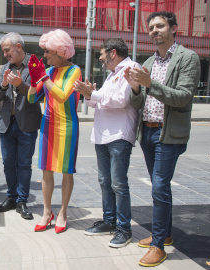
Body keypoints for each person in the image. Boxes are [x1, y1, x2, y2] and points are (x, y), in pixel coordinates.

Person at [124, 11, 200, 267]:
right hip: (148, 131)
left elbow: (183, 97)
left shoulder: (188, 58)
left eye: (160, 26)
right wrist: (136, 87)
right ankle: (165, 233)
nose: (154, 30)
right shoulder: (149, 61)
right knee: (161, 187)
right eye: (151, 27)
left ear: (174, 28)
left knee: (158, 186)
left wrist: (150, 82)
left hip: (169, 134)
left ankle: (158, 246)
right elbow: (139, 102)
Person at [74, 37, 140, 248]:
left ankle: (124, 228)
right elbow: (97, 100)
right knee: (105, 181)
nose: (100, 58)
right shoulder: (112, 74)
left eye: (102, 54)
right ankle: (109, 221)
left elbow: (123, 100)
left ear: (113, 53)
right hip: (103, 135)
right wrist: (87, 93)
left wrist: (92, 93)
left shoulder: (130, 68)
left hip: (119, 135)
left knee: (119, 183)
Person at [27, 29, 81, 233]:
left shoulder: (74, 70)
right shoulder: (48, 72)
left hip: (68, 125)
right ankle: (47, 212)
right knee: (46, 170)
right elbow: (32, 98)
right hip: (48, 125)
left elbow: (62, 95)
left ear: (61, 51)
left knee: (66, 170)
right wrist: (33, 82)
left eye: (48, 51)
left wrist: (42, 76)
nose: (45, 56)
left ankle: (63, 212)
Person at [0, 32, 41, 220]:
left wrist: (21, 85)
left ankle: (22, 201)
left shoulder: (35, 64)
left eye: (7, 50)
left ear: (18, 47)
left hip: (27, 124)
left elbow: (39, 95)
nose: (5, 54)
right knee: (8, 164)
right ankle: (11, 197)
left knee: (24, 164)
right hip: (7, 124)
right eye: (4, 51)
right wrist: (4, 85)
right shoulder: (5, 67)